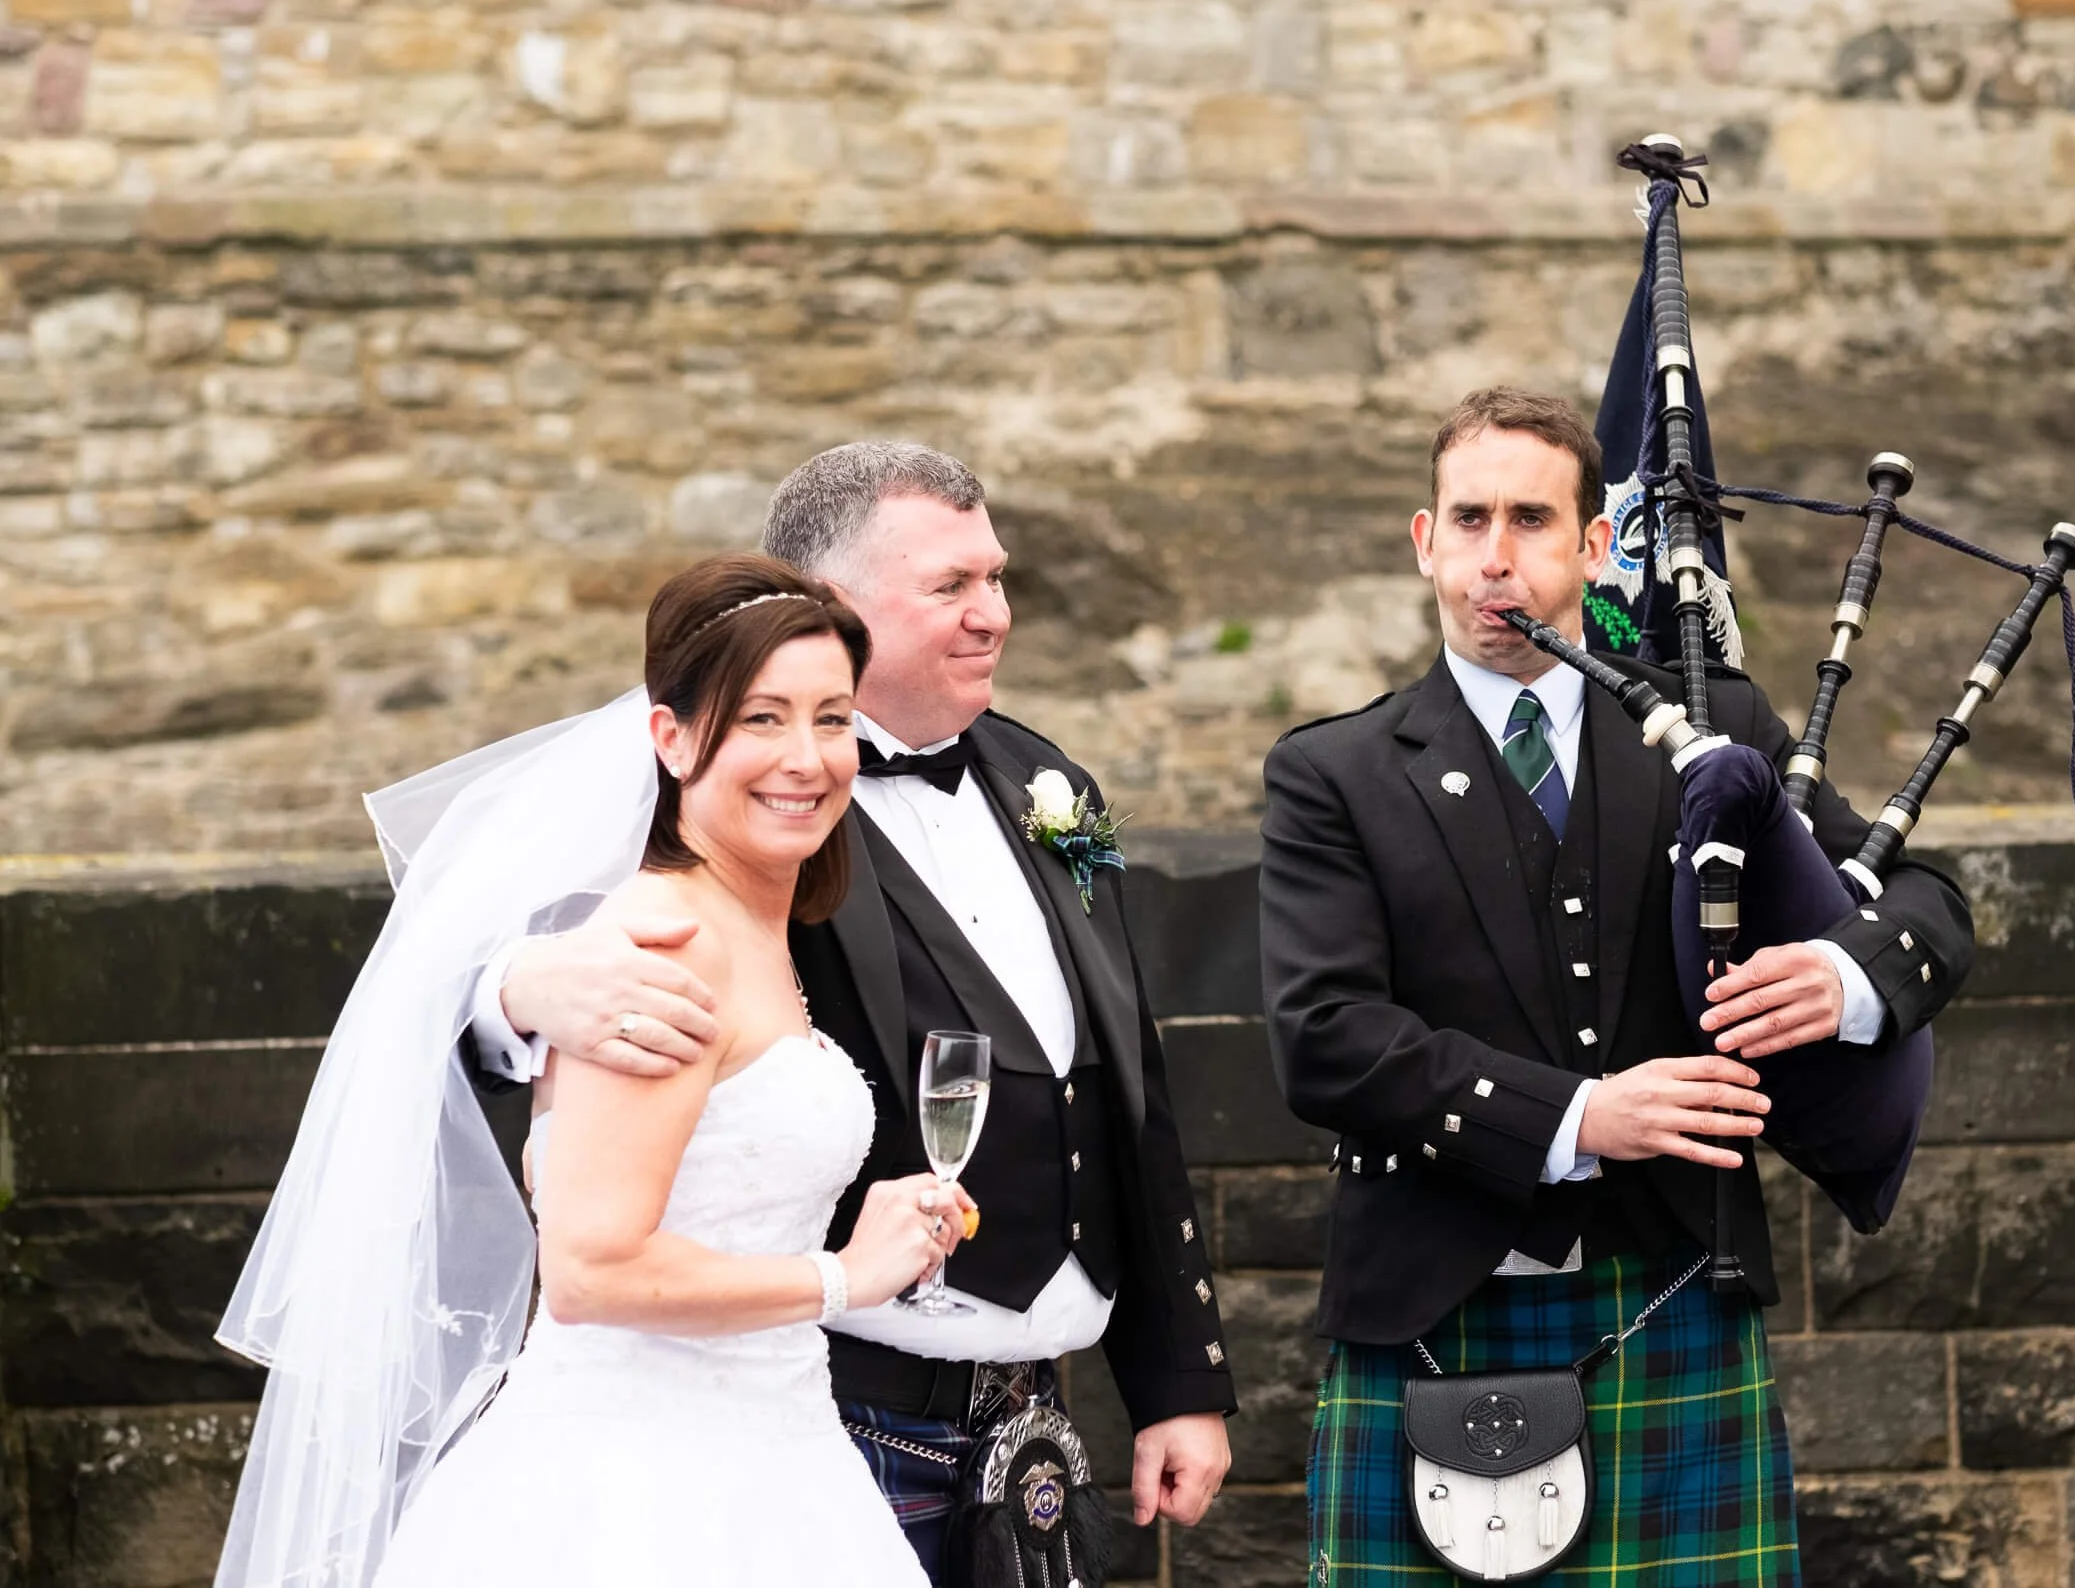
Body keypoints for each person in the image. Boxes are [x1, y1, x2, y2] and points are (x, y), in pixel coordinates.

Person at [470, 441, 1234, 1582]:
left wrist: (1178, 1381)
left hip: (1038, 1424)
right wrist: (518, 988)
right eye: (951, 587)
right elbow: (509, 965)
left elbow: (1127, 1088)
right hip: (841, 1414)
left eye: (998, 576)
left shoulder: (1043, 778)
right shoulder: (746, 810)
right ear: (832, 603)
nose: (995, 615)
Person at [1260, 387, 1977, 1585]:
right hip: (1436, 1306)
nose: (1499, 559)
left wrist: (1838, 969)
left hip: (1673, 1288)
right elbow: (1326, 1039)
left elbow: (1929, 904)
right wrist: (1583, 1116)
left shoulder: (1716, 726)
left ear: (1595, 546)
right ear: (1423, 540)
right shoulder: (1332, 773)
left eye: (1534, 521)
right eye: (1470, 519)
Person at [221, 553, 974, 1588]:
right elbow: (589, 1270)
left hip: (783, 1460)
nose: (806, 756)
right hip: (639, 1494)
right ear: (670, 738)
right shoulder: (666, 944)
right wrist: (844, 1276)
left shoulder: (762, 923)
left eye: (831, 717)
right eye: (761, 718)